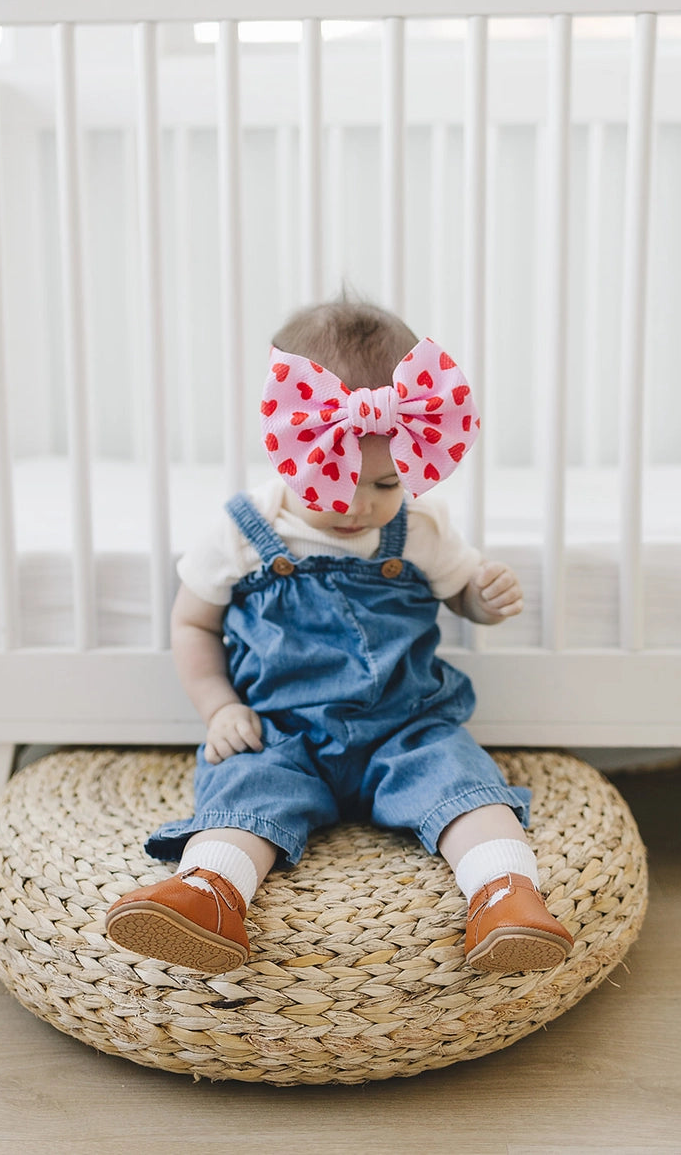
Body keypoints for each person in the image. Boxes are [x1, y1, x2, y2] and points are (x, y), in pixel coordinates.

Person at [106, 297, 573, 976]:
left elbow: (463, 591)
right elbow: (192, 623)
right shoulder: (241, 532)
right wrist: (219, 708)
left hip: (405, 727)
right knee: (246, 790)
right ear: (289, 447)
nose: (359, 505)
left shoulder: (420, 529)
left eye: (385, 482)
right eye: (338, 480)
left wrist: (483, 597)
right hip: (281, 732)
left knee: (465, 782)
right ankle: (209, 892)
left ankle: (504, 895)